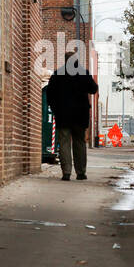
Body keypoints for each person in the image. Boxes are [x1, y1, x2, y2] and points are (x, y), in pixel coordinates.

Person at [45, 49, 99, 181]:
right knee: (79, 142)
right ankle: (81, 172)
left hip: (63, 115)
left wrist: (55, 108)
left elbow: (49, 94)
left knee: (64, 142)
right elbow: (93, 89)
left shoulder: (58, 74)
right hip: (80, 115)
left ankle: (66, 172)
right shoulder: (83, 73)